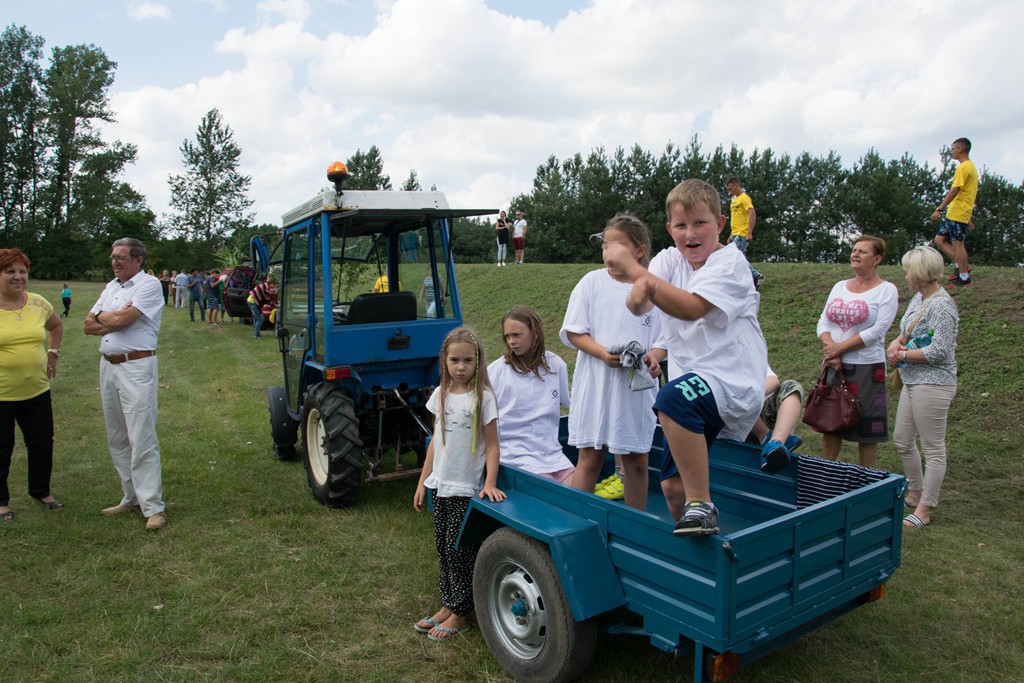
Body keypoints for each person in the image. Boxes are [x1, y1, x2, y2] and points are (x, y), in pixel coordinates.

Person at [604, 179, 768, 537]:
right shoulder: (668, 259)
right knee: (672, 489)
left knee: (670, 398)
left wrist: (633, 269)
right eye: (681, 225)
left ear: (721, 223)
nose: (690, 234)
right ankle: (709, 547)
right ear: (669, 229)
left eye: (700, 223)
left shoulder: (731, 263)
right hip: (694, 380)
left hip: (730, 381)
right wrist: (635, 288)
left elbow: (692, 308)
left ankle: (704, 505)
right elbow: (641, 302)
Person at [560, 213, 662, 511]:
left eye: (616, 246)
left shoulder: (654, 288)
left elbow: (664, 339)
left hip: (634, 392)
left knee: (637, 463)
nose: (608, 253)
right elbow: (574, 332)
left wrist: (655, 357)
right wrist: (603, 353)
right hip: (596, 385)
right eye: (605, 246)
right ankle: (576, 521)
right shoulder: (591, 283)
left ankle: (634, 526)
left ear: (639, 250)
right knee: (590, 458)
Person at [413, 327, 504, 641]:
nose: (461, 366)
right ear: (444, 360)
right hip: (441, 484)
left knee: (460, 549)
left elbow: (492, 445)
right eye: (454, 360)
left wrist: (489, 482)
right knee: (443, 548)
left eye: (468, 360)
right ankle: (448, 604)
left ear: (478, 361)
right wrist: (423, 482)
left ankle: (462, 613)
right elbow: (435, 443)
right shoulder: (440, 394)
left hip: (466, 487)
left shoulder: (484, 398)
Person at [84, 238, 167, 531]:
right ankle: (130, 497)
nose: (115, 262)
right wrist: (110, 318)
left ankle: (153, 507)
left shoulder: (149, 285)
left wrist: (106, 318)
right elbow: (87, 325)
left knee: (141, 435)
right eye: (112, 258)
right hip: (108, 366)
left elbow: (121, 321)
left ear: (138, 260)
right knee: (117, 435)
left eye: (120, 258)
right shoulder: (112, 287)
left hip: (136, 366)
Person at [886, 246, 959, 528]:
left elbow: (940, 350)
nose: (904, 275)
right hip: (912, 379)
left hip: (934, 382)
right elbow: (907, 330)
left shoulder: (942, 305)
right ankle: (914, 492)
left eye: (907, 270)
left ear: (918, 272)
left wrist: (901, 355)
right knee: (903, 440)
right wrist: (897, 342)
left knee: (933, 447)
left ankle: (926, 508)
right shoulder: (920, 298)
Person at [815, 235, 898, 467]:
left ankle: (864, 478)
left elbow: (878, 331)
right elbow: (823, 322)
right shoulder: (839, 286)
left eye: (862, 251)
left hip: (867, 368)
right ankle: (826, 472)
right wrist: (831, 351)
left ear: (877, 258)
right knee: (831, 422)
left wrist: (837, 349)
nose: (855, 254)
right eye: (854, 249)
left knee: (867, 428)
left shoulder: (886, 290)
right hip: (835, 366)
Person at [0, 249, 64, 521]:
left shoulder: (38, 303)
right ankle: (1, 502)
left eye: (22, 271)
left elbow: (56, 326)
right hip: (2, 394)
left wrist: (53, 353)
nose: (17, 277)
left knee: (41, 442)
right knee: (2, 447)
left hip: (36, 391)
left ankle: (41, 491)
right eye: (9, 271)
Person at [488, 305, 575, 483]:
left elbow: (571, 404)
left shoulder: (556, 365)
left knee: (580, 493)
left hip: (553, 455)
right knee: (554, 494)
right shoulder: (495, 372)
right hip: (515, 456)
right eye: (507, 336)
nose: (511, 341)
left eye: (516, 335)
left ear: (535, 333)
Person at [931, 137, 977, 288]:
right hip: (956, 212)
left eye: (953, 149)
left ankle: (964, 278)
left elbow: (955, 190)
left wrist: (939, 209)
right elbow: (968, 193)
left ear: (961, 149)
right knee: (939, 239)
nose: (951, 152)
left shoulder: (964, 168)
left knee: (958, 243)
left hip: (958, 211)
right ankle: (961, 266)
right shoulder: (970, 167)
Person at [743, 367, 805, 473]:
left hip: (758, 411)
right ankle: (767, 439)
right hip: (730, 423)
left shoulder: (748, 353)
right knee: (734, 397)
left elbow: (773, 380)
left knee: (792, 387)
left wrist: (753, 396)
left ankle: (775, 442)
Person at [724, 177, 765, 289]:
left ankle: (756, 276)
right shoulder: (734, 200)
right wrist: (731, 234)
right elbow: (736, 218)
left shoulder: (744, 198)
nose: (729, 191)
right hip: (736, 234)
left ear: (737, 186)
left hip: (742, 234)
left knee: (737, 259)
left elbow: (752, 214)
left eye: (731, 189)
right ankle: (749, 279)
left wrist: (749, 232)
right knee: (737, 259)